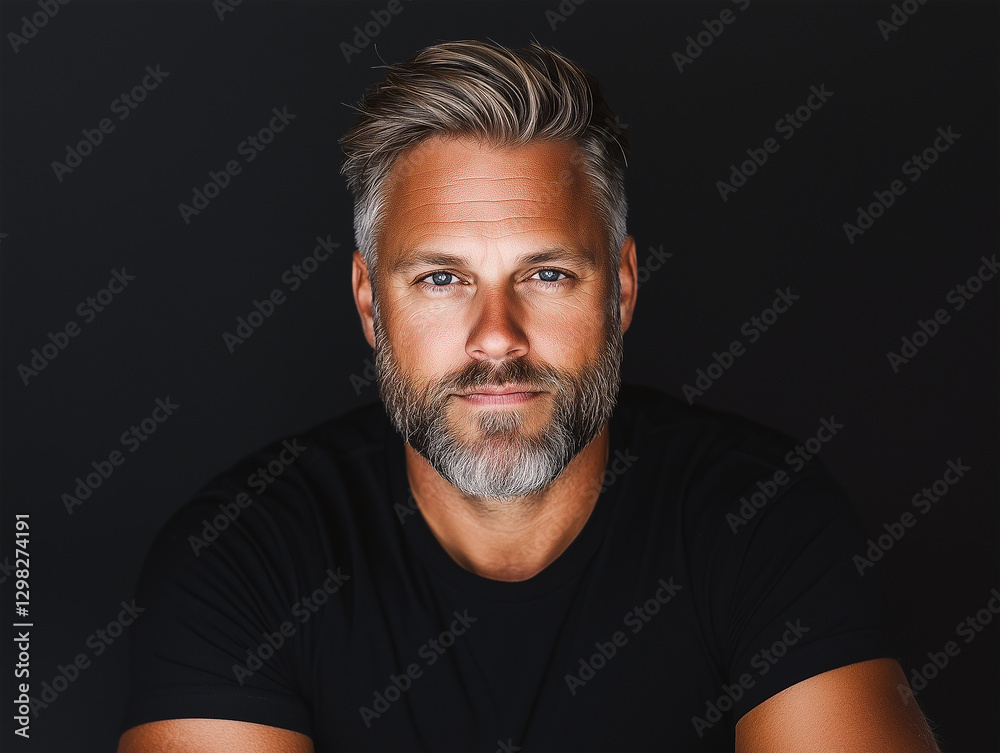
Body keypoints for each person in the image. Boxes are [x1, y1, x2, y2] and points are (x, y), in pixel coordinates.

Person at [118, 40, 941, 752]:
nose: (497, 335)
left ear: (619, 287)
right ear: (372, 303)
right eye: (443, 279)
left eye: (546, 274)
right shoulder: (243, 553)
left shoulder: (759, 515)